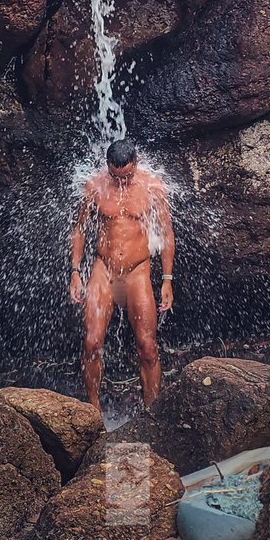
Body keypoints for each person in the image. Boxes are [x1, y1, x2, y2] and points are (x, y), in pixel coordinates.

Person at [69, 138, 175, 410]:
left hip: (137, 272)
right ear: (108, 166)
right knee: (92, 343)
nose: (121, 182)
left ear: (136, 164)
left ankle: (152, 414)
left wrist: (167, 280)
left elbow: (166, 234)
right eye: (115, 177)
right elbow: (79, 229)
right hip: (104, 269)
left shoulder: (153, 187)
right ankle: (93, 414)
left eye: (126, 176)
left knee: (147, 346)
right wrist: (75, 272)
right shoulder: (94, 187)